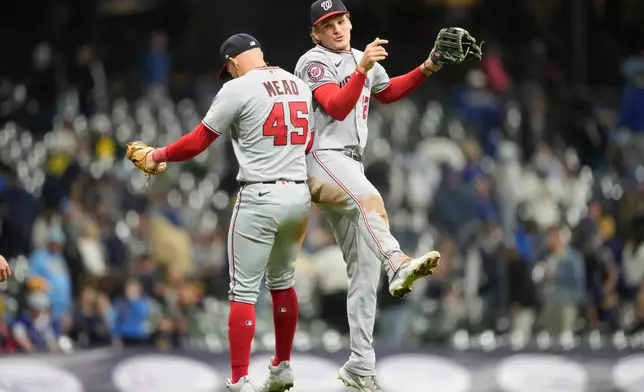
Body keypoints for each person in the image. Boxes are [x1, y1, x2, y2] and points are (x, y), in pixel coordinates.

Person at [293, 1, 480, 390]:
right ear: (316, 33)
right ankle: (397, 260)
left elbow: (389, 91)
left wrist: (430, 66)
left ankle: (360, 365)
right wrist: (361, 70)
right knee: (370, 199)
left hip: (349, 162)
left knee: (363, 270)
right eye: (328, 25)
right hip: (321, 157)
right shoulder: (312, 62)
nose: (337, 29)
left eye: (341, 21)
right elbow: (336, 107)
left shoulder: (362, 58)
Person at [125, 33, 313, 392]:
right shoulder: (298, 84)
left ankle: (241, 378)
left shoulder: (238, 87)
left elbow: (198, 140)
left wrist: (157, 155)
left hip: (260, 193)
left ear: (233, 62)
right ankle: (282, 365)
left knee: (243, 293)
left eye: (227, 68)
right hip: (298, 194)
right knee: (283, 283)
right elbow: (307, 142)